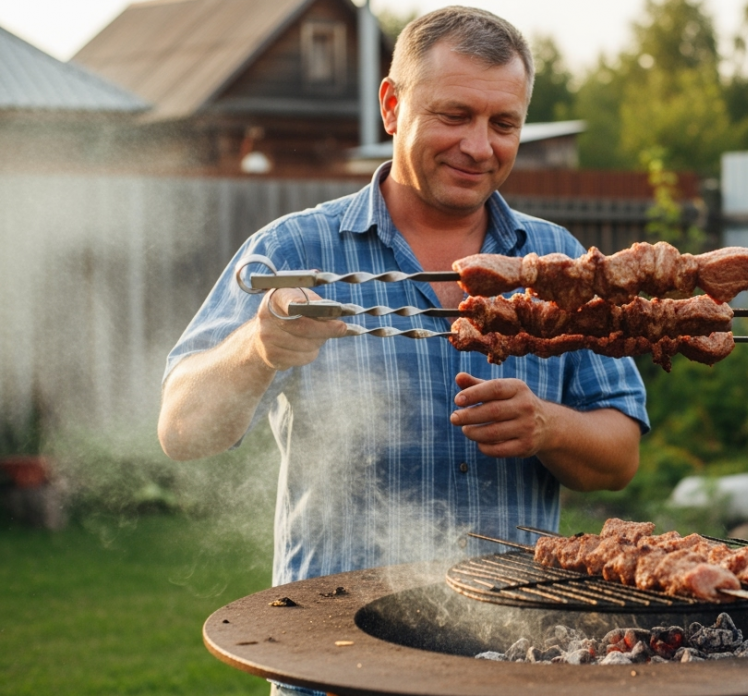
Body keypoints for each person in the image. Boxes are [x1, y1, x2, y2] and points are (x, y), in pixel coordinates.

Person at [157, 10, 647, 692]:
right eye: (454, 115)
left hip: (515, 659)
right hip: (334, 663)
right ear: (393, 106)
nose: (479, 146)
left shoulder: (558, 261)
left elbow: (619, 454)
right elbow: (182, 431)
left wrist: (548, 425)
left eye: (503, 123)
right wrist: (256, 348)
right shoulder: (297, 253)